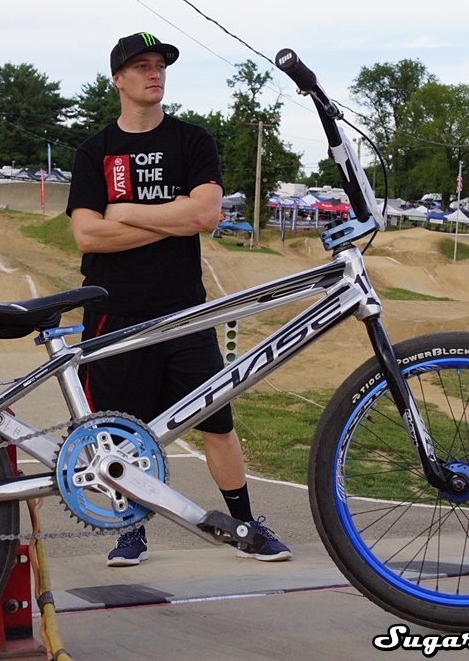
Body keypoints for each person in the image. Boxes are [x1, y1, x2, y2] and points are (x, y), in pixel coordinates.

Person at [66, 32, 291, 567]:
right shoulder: (94, 151)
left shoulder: (192, 140)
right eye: (141, 66)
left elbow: (205, 215)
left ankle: (246, 524)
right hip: (114, 314)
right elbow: (88, 235)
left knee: (217, 423)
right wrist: (173, 216)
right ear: (118, 80)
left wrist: (125, 212)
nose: (154, 73)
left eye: (160, 65)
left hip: (185, 312)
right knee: (121, 434)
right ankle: (130, 531)